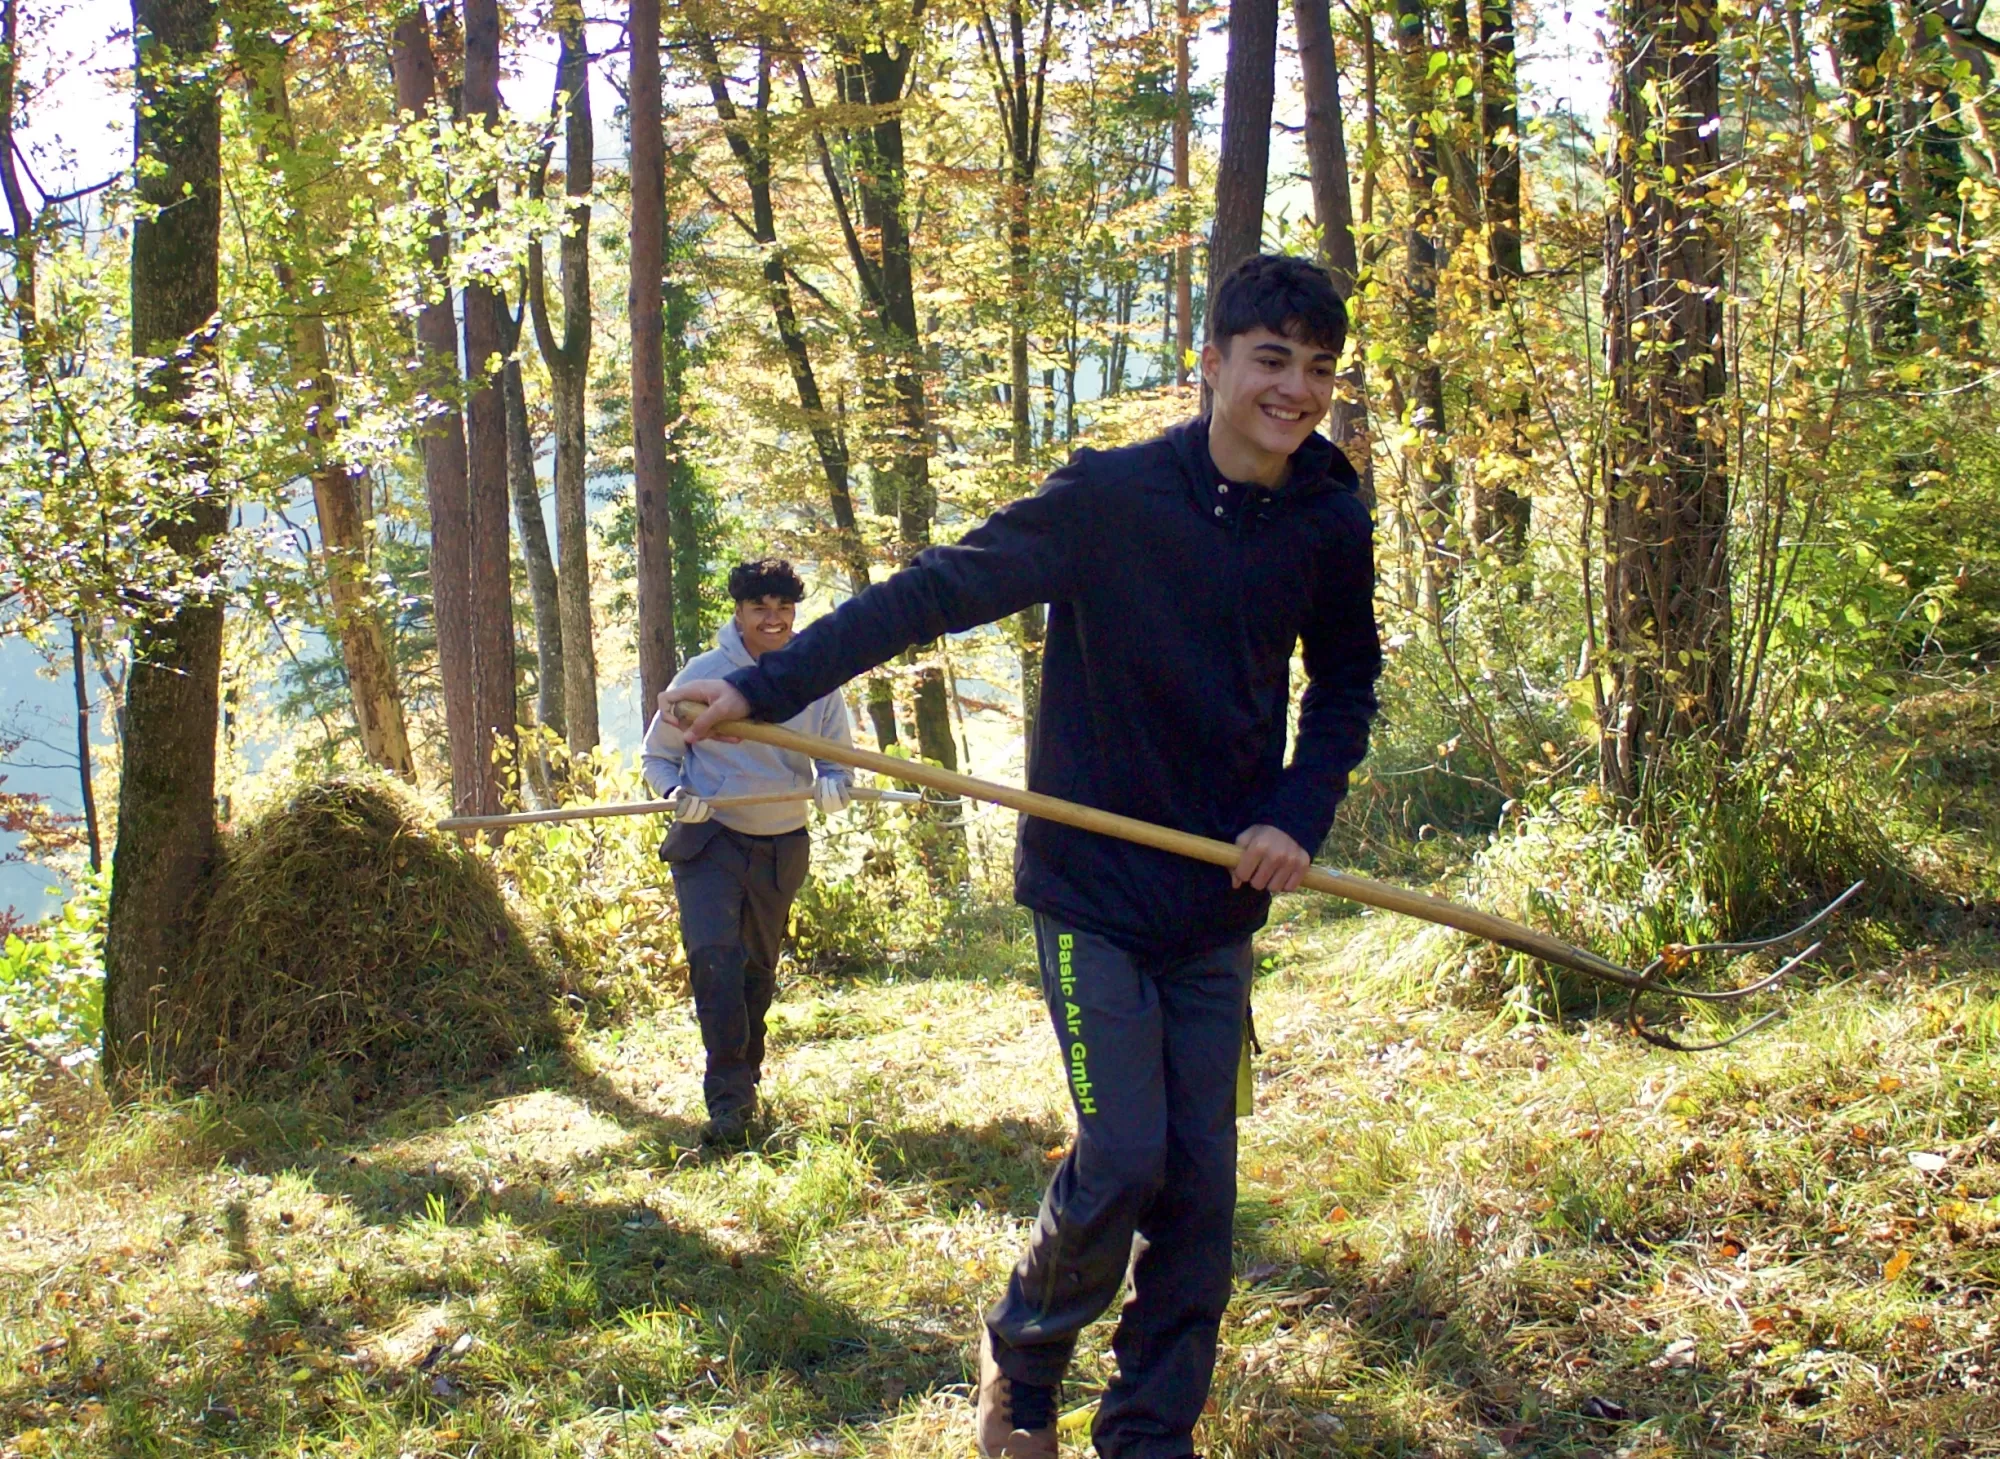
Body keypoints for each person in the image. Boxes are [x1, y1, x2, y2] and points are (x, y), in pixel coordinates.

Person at [670, 255, 1381, 1458]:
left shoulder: (1326, 518)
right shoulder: (1110, 499)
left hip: (1216, 903)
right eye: (1271, 360)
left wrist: (1293, 817)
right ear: (1209, 363)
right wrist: (766, 689)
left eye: (1317, 368)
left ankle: (1148, 1433)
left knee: (1201, 1192)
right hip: (1090, 894)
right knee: (1124, 1154)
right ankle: (1026, 1356)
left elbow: (1346, 682)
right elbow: (931, 593)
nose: (1296, 390)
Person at [641, 558, 855, 1148]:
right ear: (738, 612)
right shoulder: (702, 676)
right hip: (710, 836)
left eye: (783, 608)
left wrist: (834, 786)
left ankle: (745, 1077)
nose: (773, 619)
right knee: (715, 960)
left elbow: (838, 761)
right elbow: (658, 758)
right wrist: (676, 794)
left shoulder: (816, 677)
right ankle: (728, 1102)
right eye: (760, 608)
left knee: (756, 971)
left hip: (782, 842)